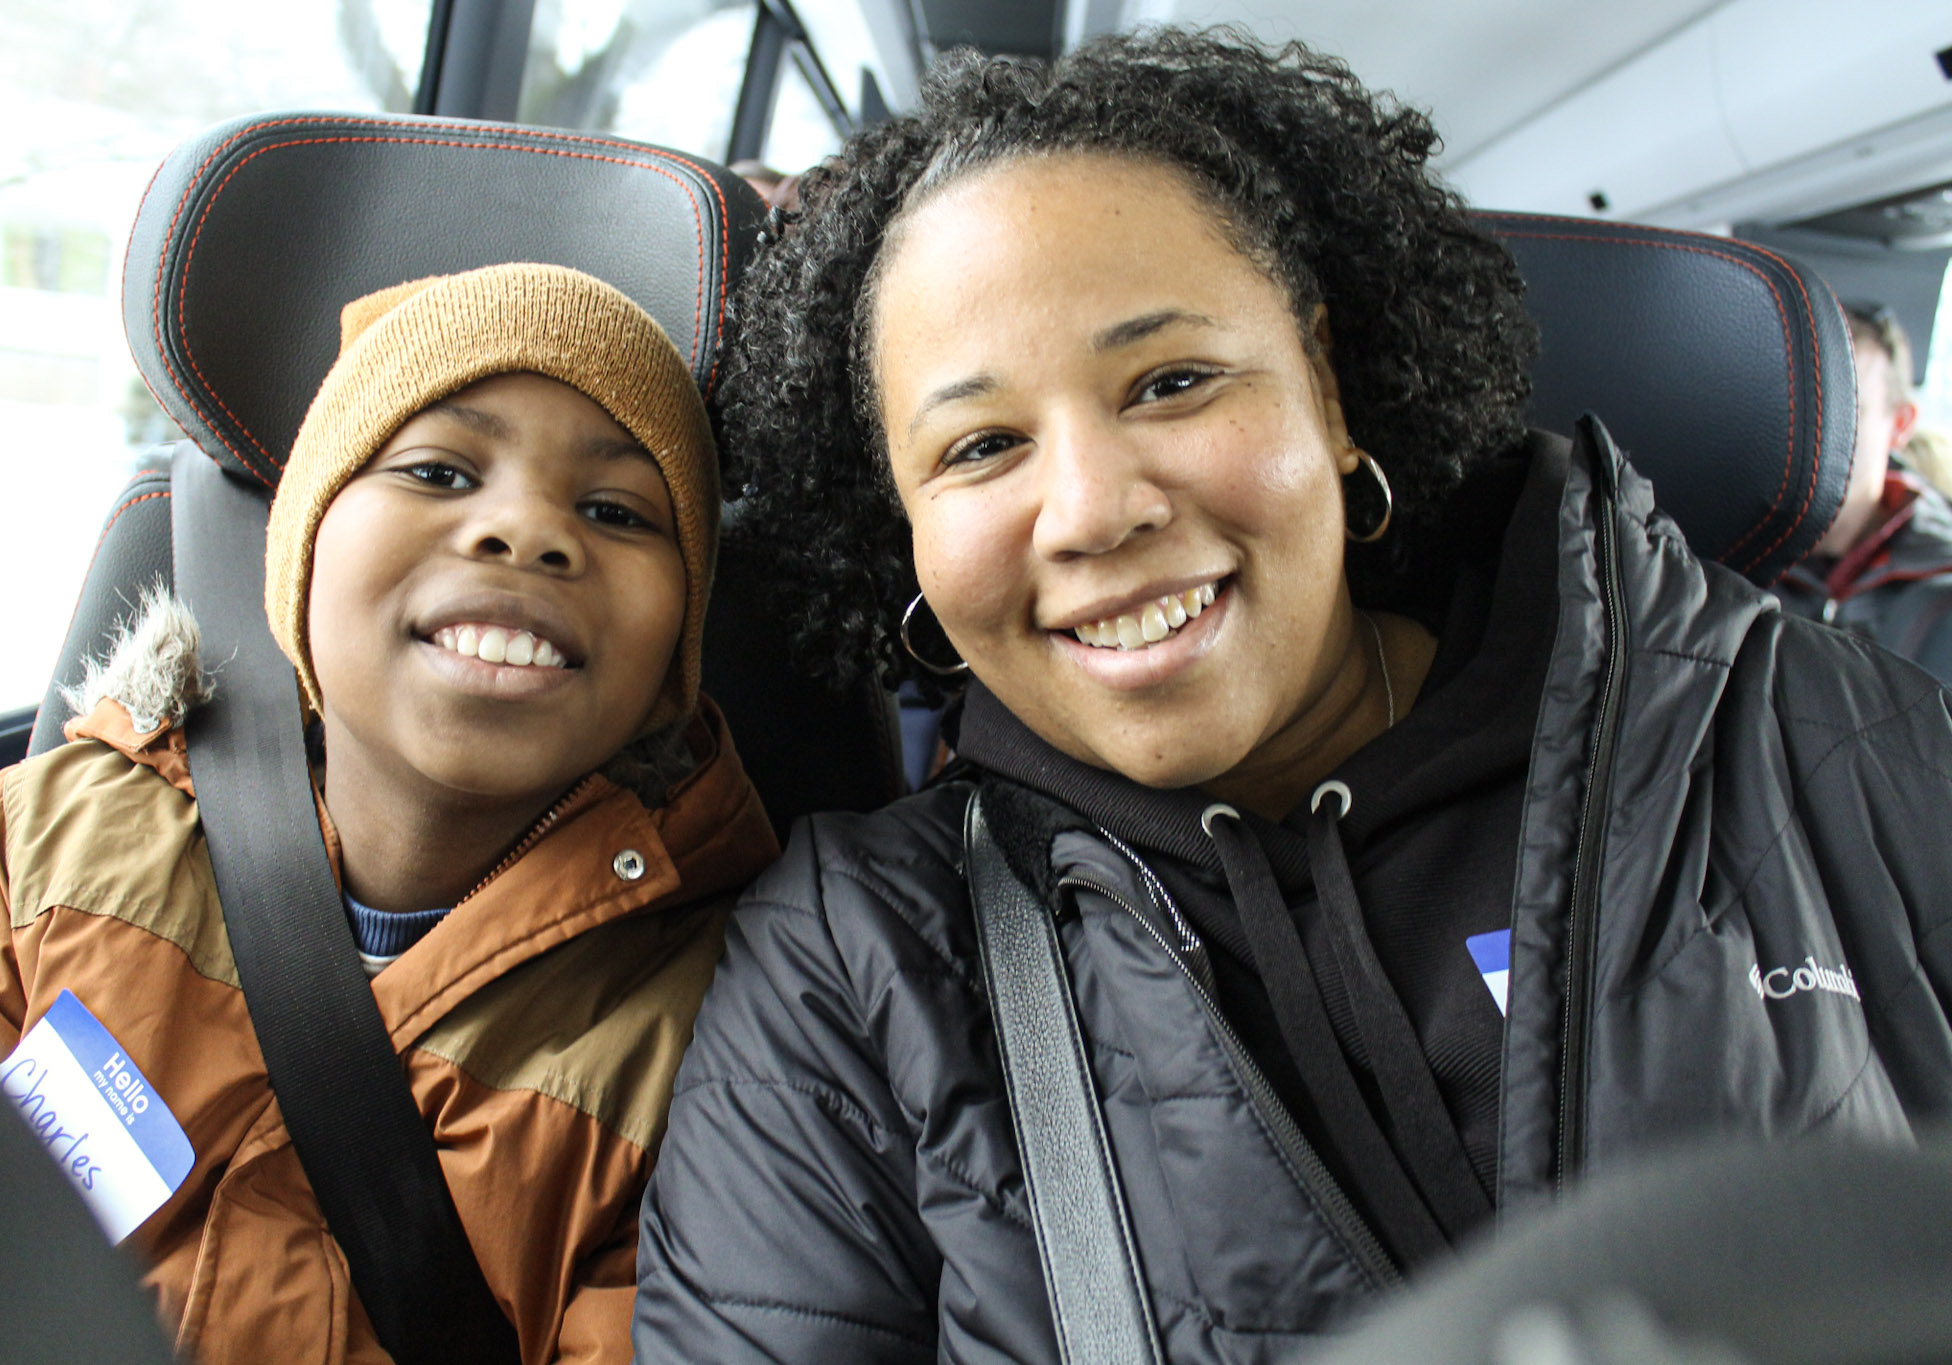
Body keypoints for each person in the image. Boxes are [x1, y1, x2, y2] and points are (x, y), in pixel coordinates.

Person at [630, 31, 1952, 1364]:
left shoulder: (1812, 736)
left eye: (1173, 382)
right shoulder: (855, 969)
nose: (1093, 509)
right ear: (899, 521)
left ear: (1324, 385)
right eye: (981, 446)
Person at [0, 263, 779, 1364]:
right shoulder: (57, 835)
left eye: (613, 511)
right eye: (437, 471)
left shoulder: (721, 1029)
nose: (523, 532)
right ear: (299, 557)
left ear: (671, 666)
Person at [1774, 303, 1952, 679]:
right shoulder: (1726, 552)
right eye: (1798, 405)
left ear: (1900, 425)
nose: (1812, 431)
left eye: (1846, 409)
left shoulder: (1940, 586)